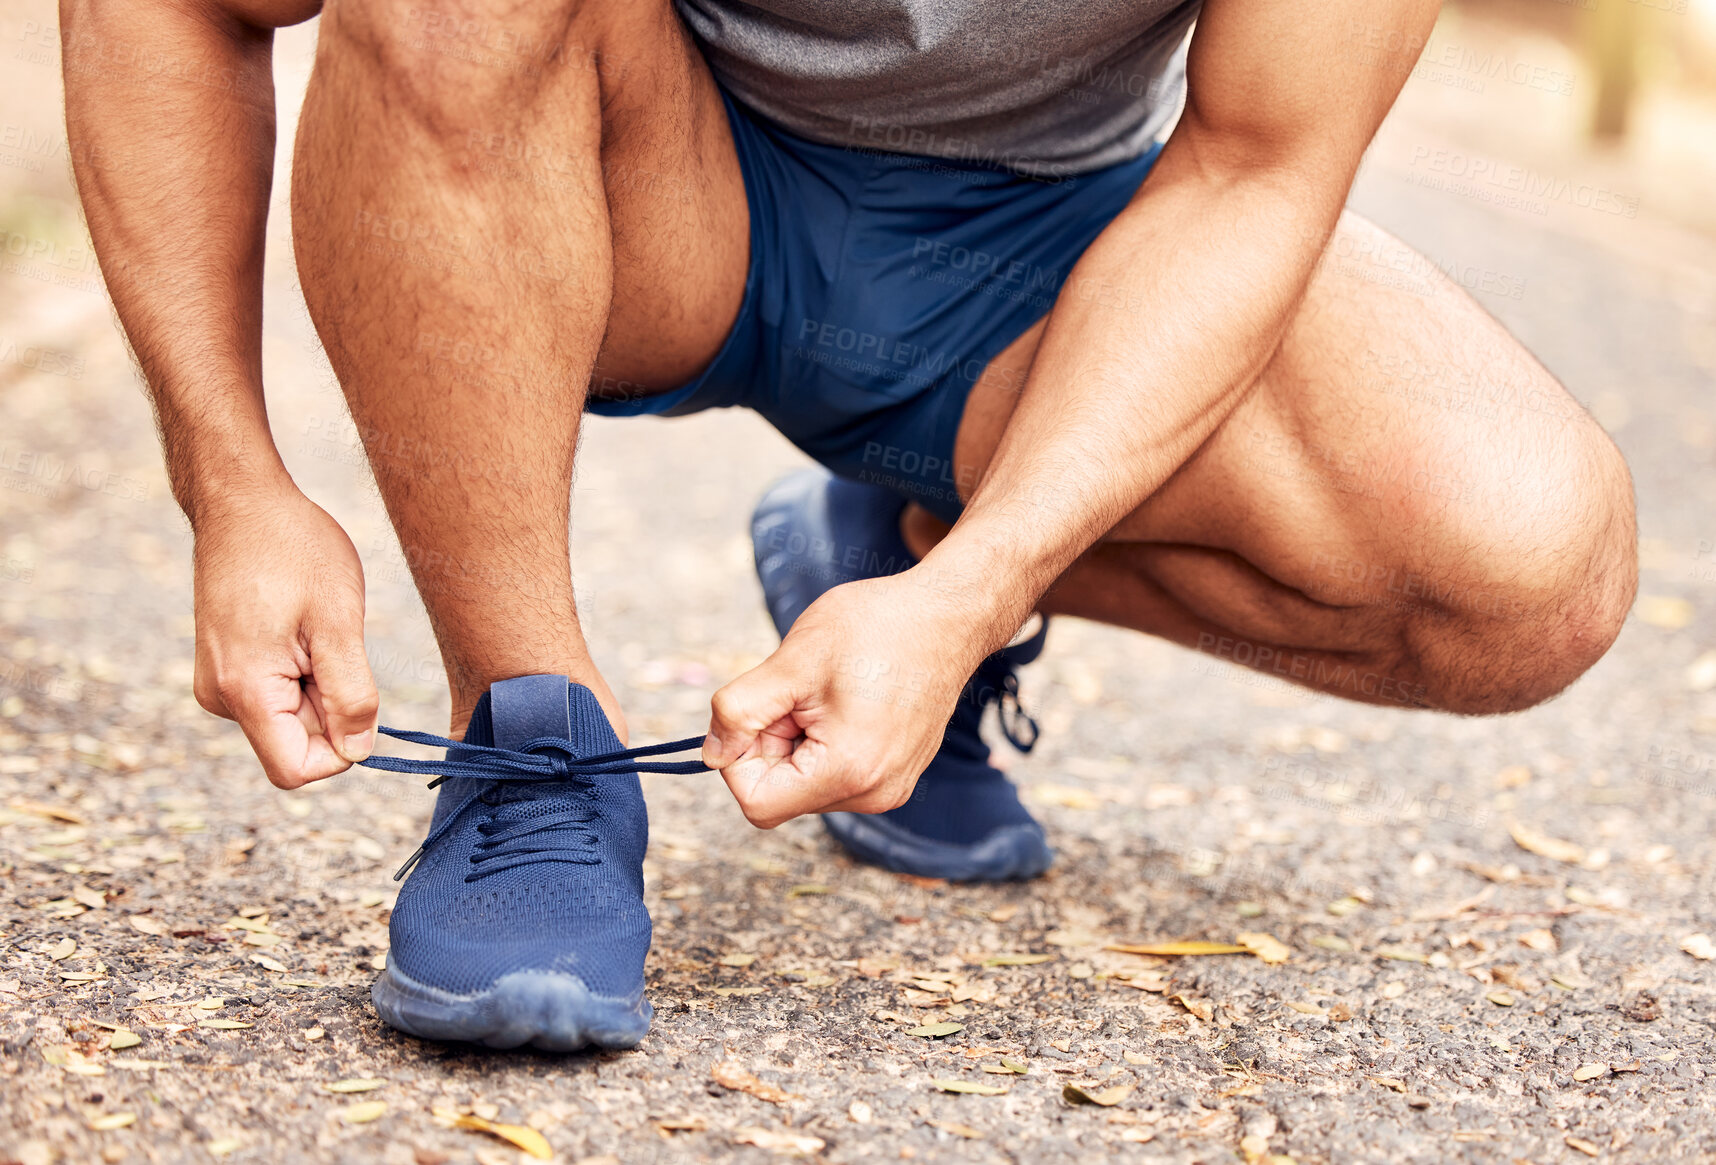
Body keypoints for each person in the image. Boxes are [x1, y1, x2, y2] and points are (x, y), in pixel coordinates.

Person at [60, 0, 1637, 1051]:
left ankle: (899, 539)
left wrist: (970, 587)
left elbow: (1256, 165)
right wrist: (232, 476)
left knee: (1528, 561)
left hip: (1043, 243)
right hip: (648, 159)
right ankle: (530, 748)